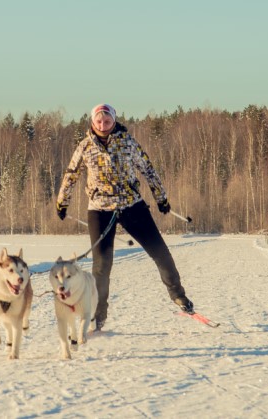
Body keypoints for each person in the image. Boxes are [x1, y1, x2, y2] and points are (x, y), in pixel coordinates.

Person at [55, 103, 194, 331]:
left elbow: (147, 169)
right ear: (92, 122)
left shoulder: (127, 142)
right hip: (100, 210)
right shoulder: (85, 146)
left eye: (107, 121)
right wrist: (62, 202)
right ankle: (98, 315)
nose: (103, 125)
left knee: (160, 252)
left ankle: (178, 295)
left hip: (131, 206)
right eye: (99, 121)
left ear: (114, 120)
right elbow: (71, 175)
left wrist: (161, 198)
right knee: (102, 265)